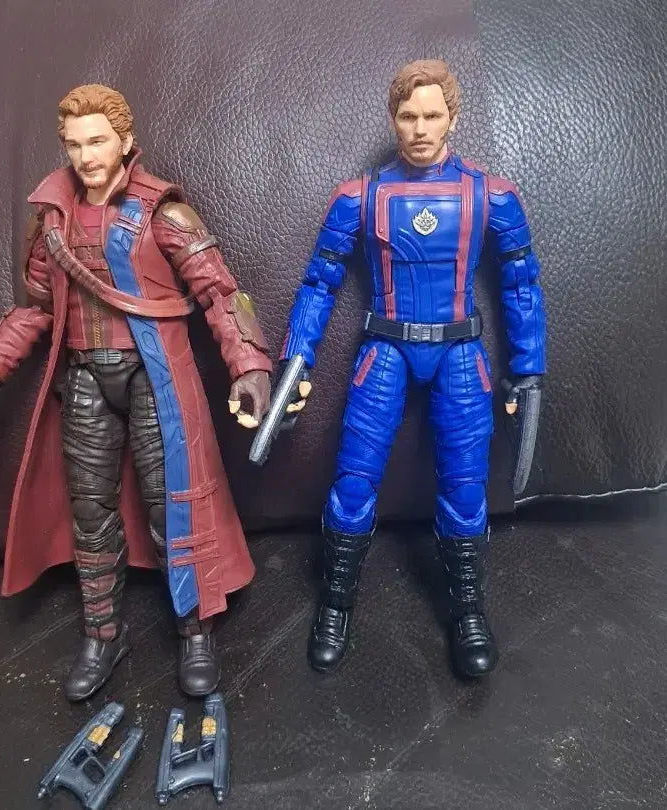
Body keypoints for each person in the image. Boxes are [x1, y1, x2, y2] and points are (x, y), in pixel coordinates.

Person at [0, 84, 272, 700]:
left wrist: (248, 368)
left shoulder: (163, 213)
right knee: (90, 514)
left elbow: (220, 293)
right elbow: (35, 309)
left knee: (174, 507)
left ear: (124, 140)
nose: (87, 155)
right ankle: (102, 634)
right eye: (74, 144)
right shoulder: (53, 219)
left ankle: (194, 631)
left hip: (155, 376)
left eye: (98, 141)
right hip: (85, 376)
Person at [278, 60, 546, 679]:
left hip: (459, 352)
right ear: (393, 120)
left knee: (465, 486)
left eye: (432, 115)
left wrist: (529, 369)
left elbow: (521, 284)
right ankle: (335, 604)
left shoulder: (491, 195)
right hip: (386, 348)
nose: (420, 128)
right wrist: (297, 357)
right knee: (353, 480)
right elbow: (319, 282)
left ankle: (468, 610)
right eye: (408, 116)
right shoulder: (360, 196)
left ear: (453, 117)